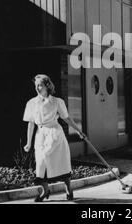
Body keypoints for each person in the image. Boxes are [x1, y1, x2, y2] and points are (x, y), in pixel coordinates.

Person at [23, 74, 85, 202]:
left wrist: (79, 131)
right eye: (36, 86)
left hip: (55, 135)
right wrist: (28, 142)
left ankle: (68, 187)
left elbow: (66, 118)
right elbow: (31, 123)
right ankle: (45, 191)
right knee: (41, 165)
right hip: (40, 137)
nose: (37, 88)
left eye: (40, 85)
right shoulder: (31, 103)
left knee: (60, 163)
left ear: (47, 85)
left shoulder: (57, 102)